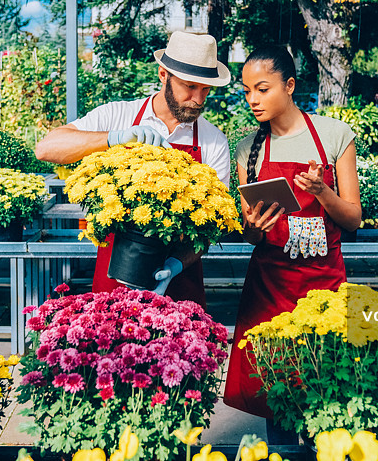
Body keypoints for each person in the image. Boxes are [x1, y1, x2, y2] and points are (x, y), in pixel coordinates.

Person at [223, 46, 362, 443]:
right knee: (275, 388)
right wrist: (250, 227)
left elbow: (353, 219)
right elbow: (252, 236)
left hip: (324, 283)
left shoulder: (334, 134)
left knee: (327, 384)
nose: (252, 99)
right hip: (270, 285)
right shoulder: (248, 147)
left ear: (289, 86)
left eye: (262, 89)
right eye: (246, 90)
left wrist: (322, 192)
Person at [34, 31, 231, 308]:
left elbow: (210, 227)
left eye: (206, 89)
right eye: (189, 87)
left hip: (179, 285)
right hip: (115, 278)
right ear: (163, 75)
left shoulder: (213, 141)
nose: (198, 99)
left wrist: (175, 265)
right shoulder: (118, 115)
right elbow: (47, 148)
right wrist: (113, 138)